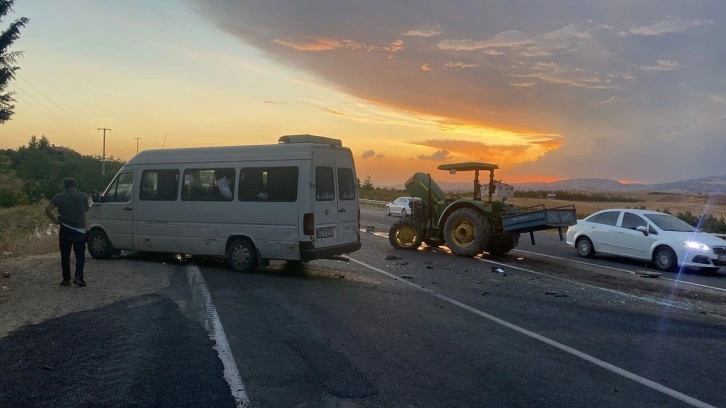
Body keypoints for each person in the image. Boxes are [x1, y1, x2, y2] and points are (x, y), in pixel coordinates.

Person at [45, 178, 90, 287]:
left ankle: (66, 280)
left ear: (65, 187)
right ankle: (79, 277)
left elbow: (47, 209)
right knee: (80, 255)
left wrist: (55, 221)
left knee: (65, 255)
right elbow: (86, 209)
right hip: (79, 230)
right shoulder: (83, 196)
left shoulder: (59, 197)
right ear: (75, 185)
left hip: (65, 228)